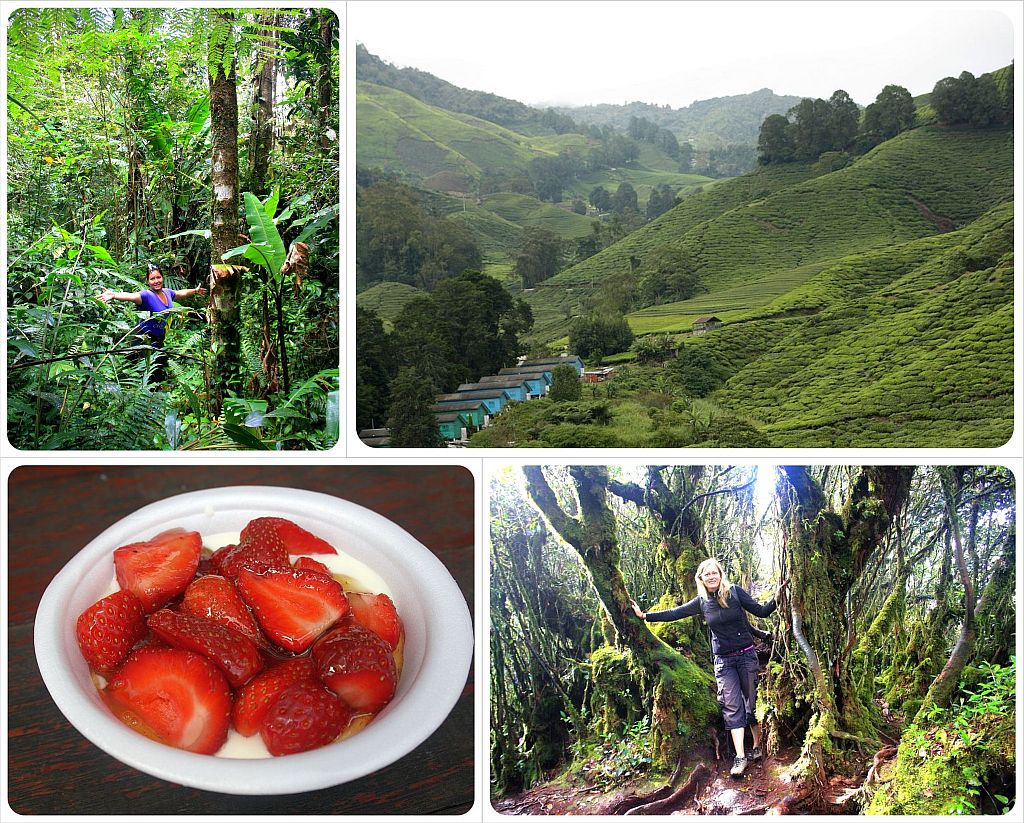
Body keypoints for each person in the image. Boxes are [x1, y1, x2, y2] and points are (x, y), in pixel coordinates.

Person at [629, 558, 786, 779]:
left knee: (750, 704)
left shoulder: (735, 592)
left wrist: (780, 596)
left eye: (714, 573)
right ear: (701, 578)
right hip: (723, 661)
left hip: (746, 656)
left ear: (720, 575)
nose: (711, 577)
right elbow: (675, 613)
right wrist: (645, 616)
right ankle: (740, 757)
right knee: (732, 707)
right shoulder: (701, 601)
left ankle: (757, 744)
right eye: (707, 574)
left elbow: (761, 612)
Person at [99, 263, 206, 381]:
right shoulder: (146, 295)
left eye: (158, 277)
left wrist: (195, 291)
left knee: (158, 372)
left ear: (163, 277)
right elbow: (131, 296)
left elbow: (181, 293)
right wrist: (114, 295)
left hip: (159, 338)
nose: (156, 281)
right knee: (143, 375)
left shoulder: (167, 292)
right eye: (152, 279)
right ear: (148, 281)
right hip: (142, 338)